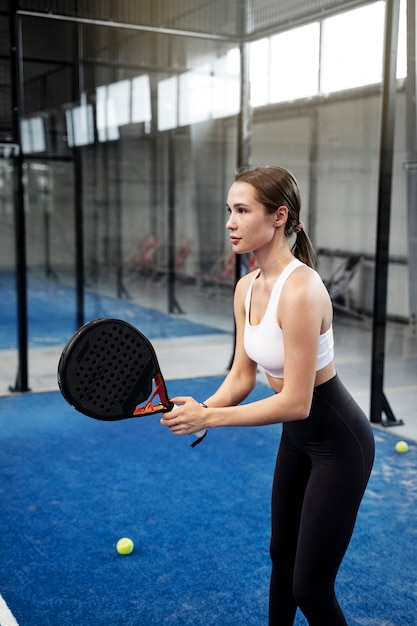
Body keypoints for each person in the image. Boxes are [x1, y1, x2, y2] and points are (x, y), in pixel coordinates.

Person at [160, 165, 375, 625]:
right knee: (281, 555)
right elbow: (241, 375)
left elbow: (298, 401)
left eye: (242, 210)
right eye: (228, 211)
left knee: (311, 588)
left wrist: (210, 421)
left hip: (339, 443)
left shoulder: (302, 290)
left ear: (279, 217)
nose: (230, 222)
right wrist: (198, 409)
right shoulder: (246, 288)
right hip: (297, 438)